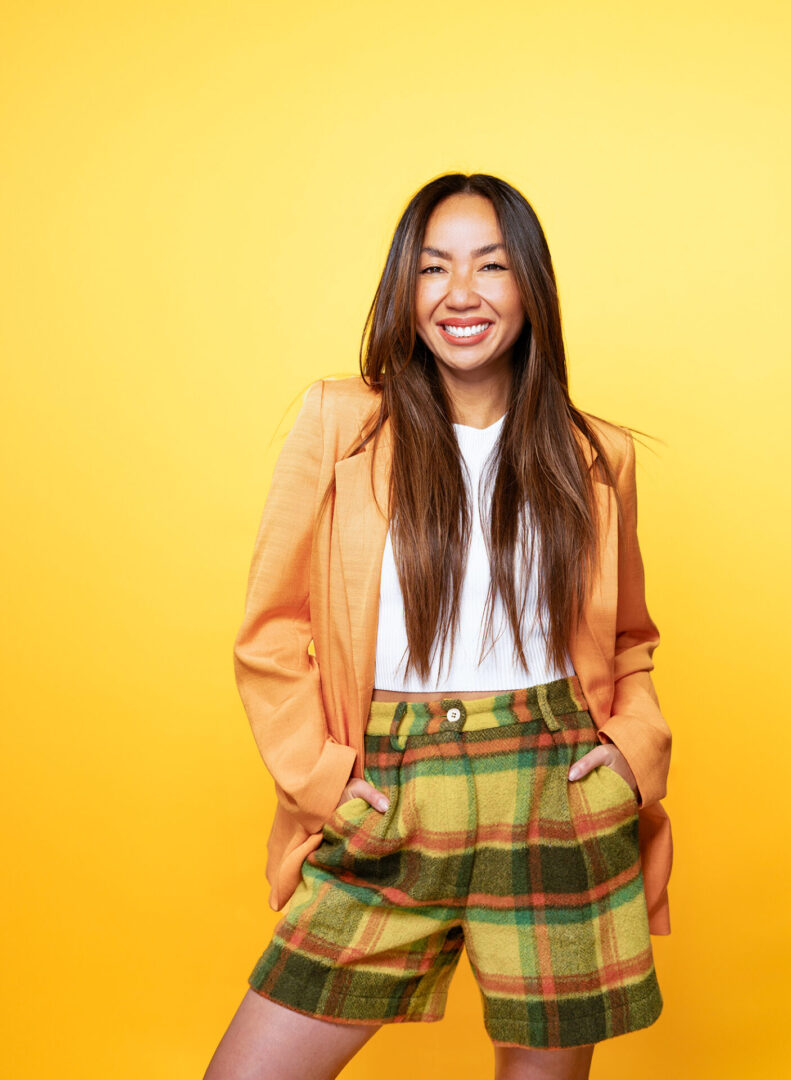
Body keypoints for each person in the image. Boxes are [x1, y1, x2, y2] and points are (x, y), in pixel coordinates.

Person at [204, 173, 673, 1080]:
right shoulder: (342, 427)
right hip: (388, 789)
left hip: (555, 787)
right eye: (434, 269)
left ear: (530, 287)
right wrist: (321, 778)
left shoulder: (594, 455)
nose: (462, 293)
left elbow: (630, 642)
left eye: (492, 266)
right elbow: (268, 635)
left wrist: (631, 755)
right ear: (404, 291)